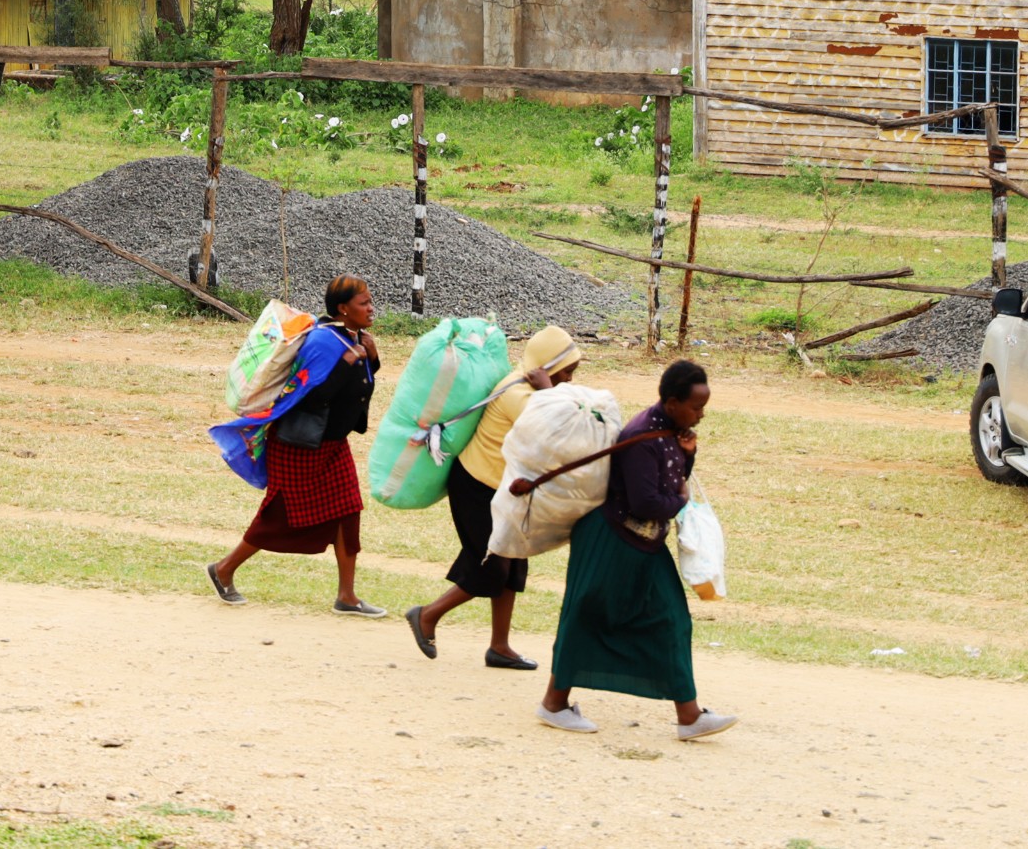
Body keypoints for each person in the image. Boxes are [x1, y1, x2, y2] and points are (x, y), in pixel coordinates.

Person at [536, 359, 736, 741]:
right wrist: (680, 500)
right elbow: (647, 502)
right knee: (587, 617)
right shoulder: (643, 436)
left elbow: (671, 479)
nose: (701, 414)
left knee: (673, 620)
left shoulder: (670, 431)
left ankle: (689, 715)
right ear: (673, 401)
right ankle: (553, 703)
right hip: (611, 541)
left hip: (645, 543)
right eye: (696, 407)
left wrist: (688, 456)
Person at [404, 325, 583, 670]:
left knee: (513, 564)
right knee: (492, 568)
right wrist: (548, 391)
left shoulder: (532, 389)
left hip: (503, 489)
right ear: (547, 367)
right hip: (476, 486)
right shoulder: (520, 394)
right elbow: (554, 429)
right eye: (567, 371)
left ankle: (499, 647)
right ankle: (426, 615)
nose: (570, 379)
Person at [206, 276, 386, 617]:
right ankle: (224, 568)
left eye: (370, 301)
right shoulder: (323, 342)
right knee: (278, 516)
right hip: (299, 445)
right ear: (343, 309)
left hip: (332, 444)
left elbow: (358, 388)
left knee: (348, 512)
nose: (371, 308)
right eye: (364, 303)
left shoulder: (355, 338)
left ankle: (347, 596)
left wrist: (371, 359)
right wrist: (346, 365)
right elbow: (308, 395)